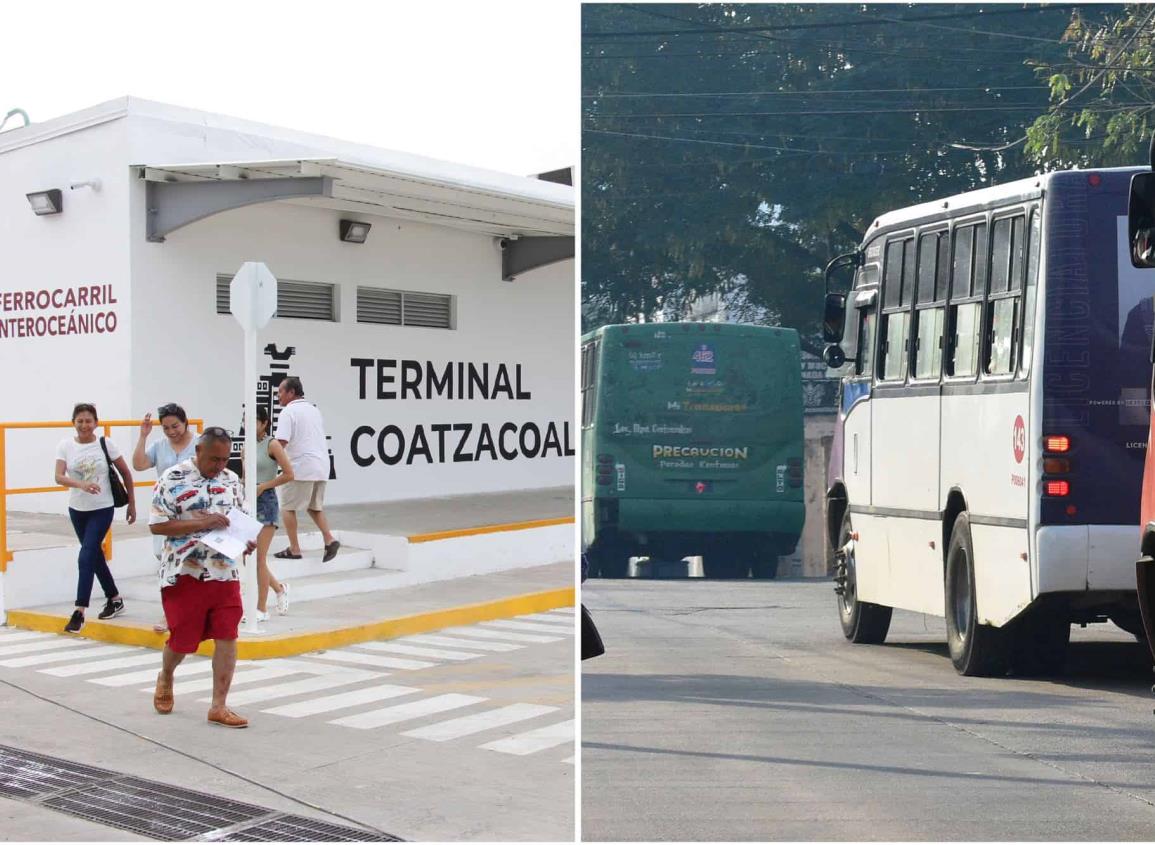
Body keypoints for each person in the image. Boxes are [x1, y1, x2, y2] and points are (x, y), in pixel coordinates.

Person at [149, 427, 255, 728]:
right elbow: (157, 525)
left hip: (224, 572)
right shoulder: (173, 478)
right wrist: (202, 522)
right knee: (183, 641)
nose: (219, 466)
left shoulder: (231, 480)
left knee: (227, 635)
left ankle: (218, 706)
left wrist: (246, 540)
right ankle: (166, 676)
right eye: (213, 459)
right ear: (198, 451)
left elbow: (240, 520)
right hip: (185, 571)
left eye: (224, 460)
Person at [54, 403, 136, 633]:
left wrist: (132, 504)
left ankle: (79, 611)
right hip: (77, 509)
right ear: (73, 422)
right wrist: (80, 484)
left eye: (88, 421)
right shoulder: (65, 446)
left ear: (96, 423)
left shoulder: (105, 444)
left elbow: (126, 473)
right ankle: (114, 598)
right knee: (94, 555)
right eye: (79, 421)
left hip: (102, 508)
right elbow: (58, 476)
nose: (84, 425)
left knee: (86, 556)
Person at [133, 403, 197, 633]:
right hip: (166, 512)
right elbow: (139, 464)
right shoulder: (159, 446)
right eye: (167, 427)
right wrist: (143, 436)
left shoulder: (200, 443)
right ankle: (171, 613)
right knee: (165, 560)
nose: (172, 431)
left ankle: (175, 614)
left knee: (190, 564)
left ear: (185, 422)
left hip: (194, 513)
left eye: (175, 426)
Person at [272, 377, 339, 562]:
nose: (278, 397)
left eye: (280, 393)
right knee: (314, 506)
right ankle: (329, 539)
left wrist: (269, 459)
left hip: (301, 466)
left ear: (291, 392)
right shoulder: (314, 410)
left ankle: (294, 549)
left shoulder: (288, 412)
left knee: (287, 506)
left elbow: (281, 442)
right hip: (321, 466)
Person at [244, 405, 294, 621]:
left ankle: (261, 608)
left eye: (254, 422)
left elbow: (289, 474)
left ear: (264, 423)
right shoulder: (245, 446)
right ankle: (279, 588)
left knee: (259, 558)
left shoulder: (272, 444)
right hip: (248, 502)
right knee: (251, 558)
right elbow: (245, 475)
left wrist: (264, 486)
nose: (249, 426)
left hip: (266, 501)